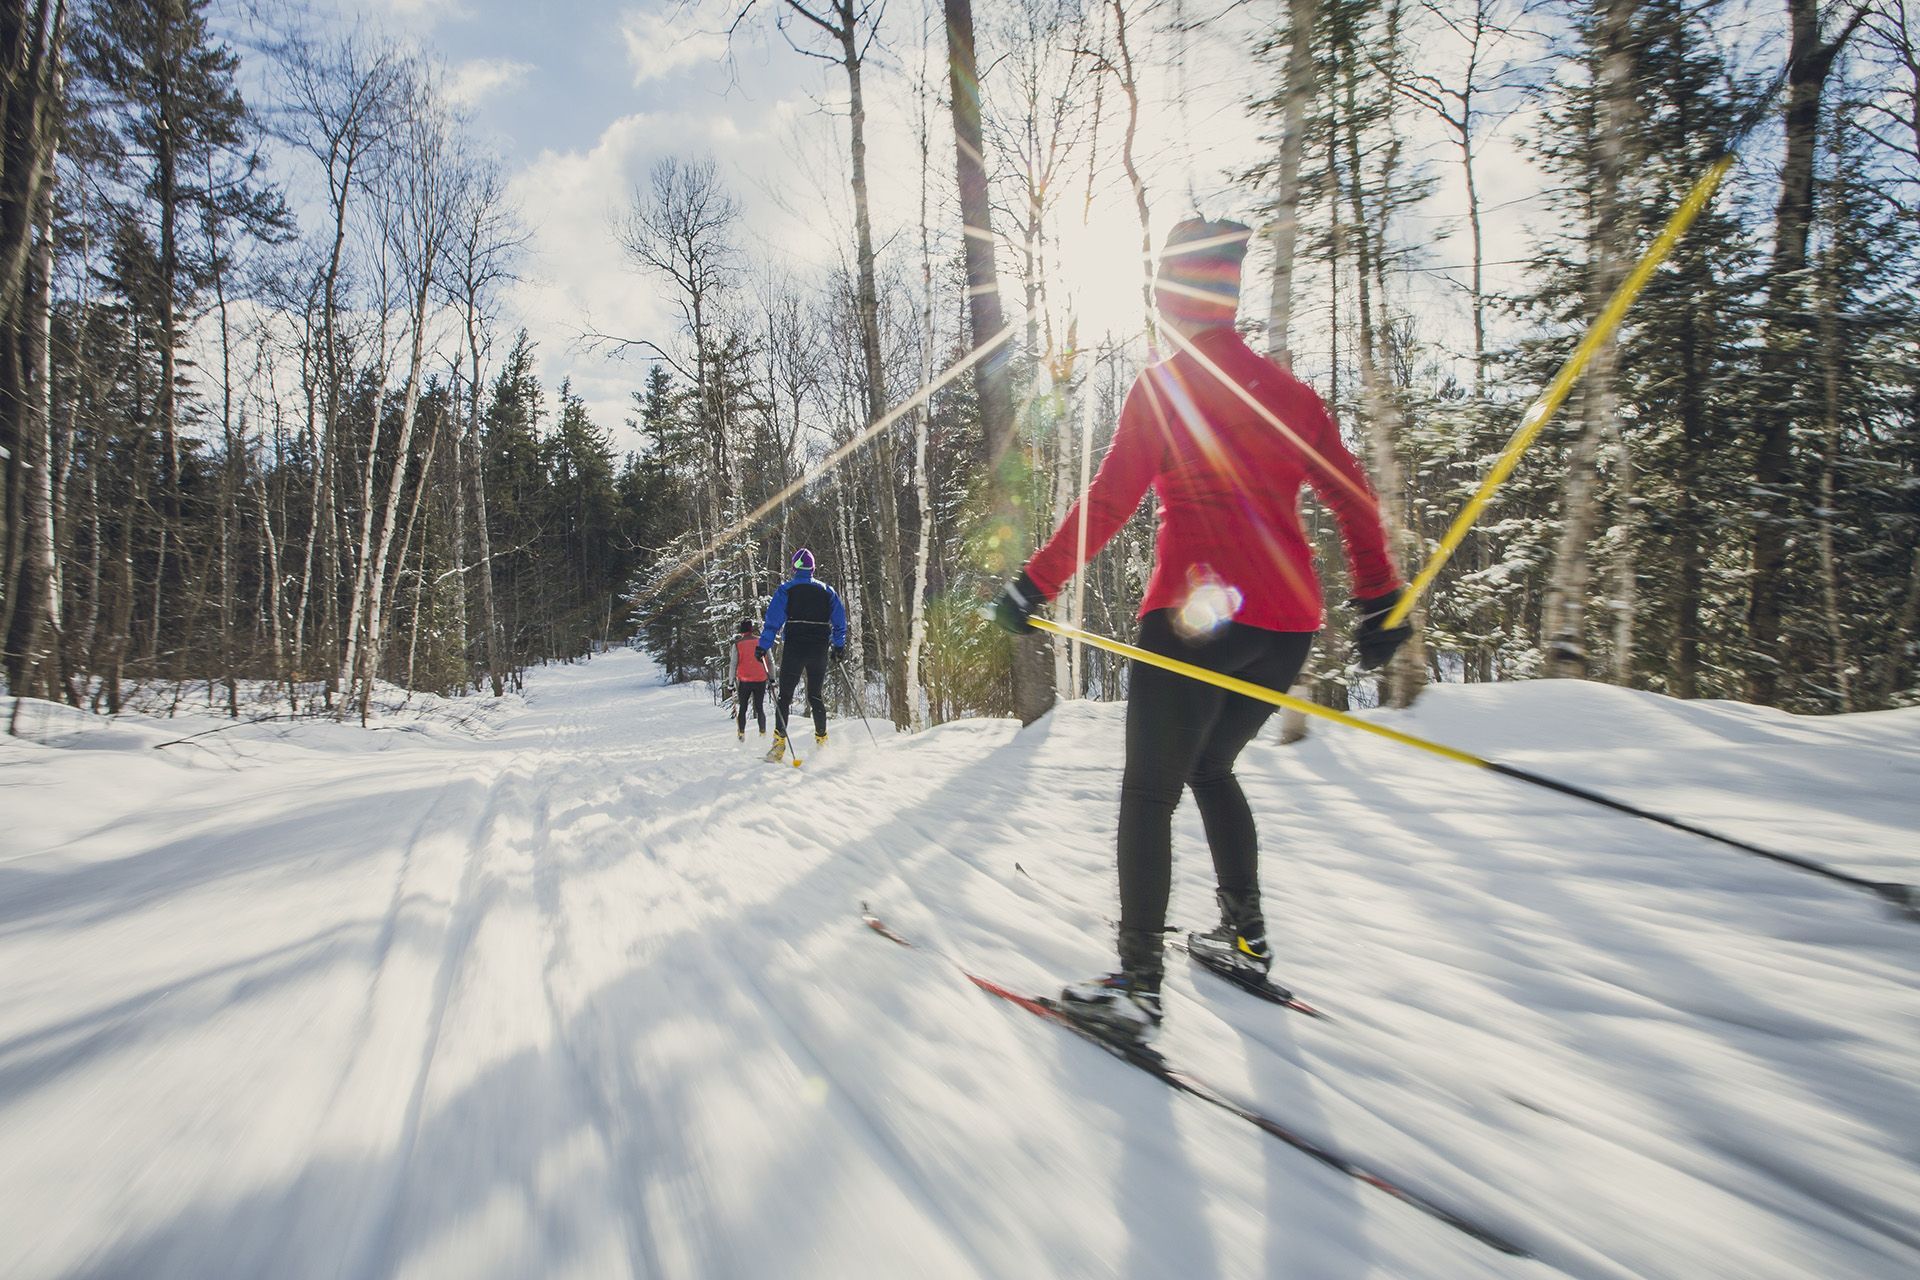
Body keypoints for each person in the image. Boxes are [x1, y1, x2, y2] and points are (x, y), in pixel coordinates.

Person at [992, 217, 1411, 1042]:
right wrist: (1378, 598)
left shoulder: (1166, 387)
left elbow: (1108, 503)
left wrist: (1033, 584)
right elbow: (1353, 498)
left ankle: (1138, 984)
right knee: (1212, 768)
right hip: (1285, 626)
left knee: (1151, 788)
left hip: (1194, 619)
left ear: (1173, 299)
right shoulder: (1292, 396)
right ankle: (1244, 940)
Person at [758, 548, 848, 762]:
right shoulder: (827, 591)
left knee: (785, 696)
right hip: (818, 649)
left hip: (795, 648)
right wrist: (838, 646)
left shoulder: (786, 590)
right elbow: (839, 622)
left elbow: (773, 622)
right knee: (815, 696)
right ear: (813, 568)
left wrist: (763, 646)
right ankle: (822, 744)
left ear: (794, 568)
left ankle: (778, 747)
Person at [731, 618, 768, 740]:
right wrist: (772, 678)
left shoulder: (737, 644)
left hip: (745, 680)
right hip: (760, 679)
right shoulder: (761, 641)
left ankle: (741, 733)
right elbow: (770, 661)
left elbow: (733, 664)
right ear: (752, 629)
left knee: (743, 708)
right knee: (759, 707)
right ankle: (762, 733)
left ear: (742, 630)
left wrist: (731, 682)